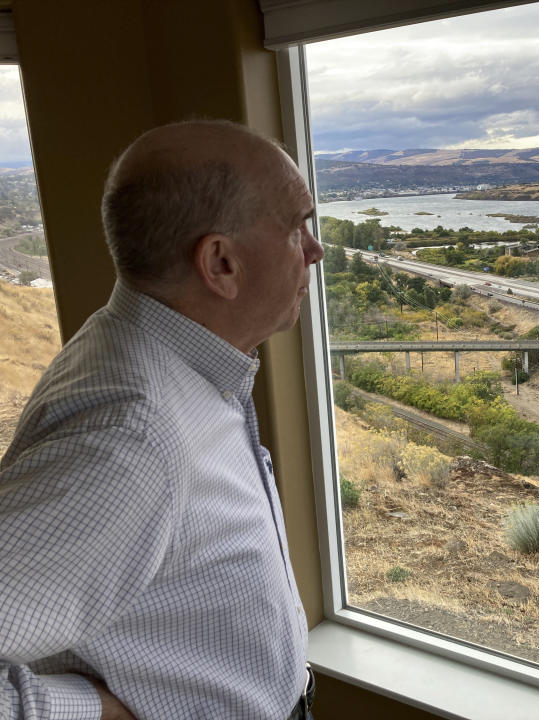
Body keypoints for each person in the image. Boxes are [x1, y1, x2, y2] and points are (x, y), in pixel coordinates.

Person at [0, 120, 323, 719]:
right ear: (220, 263)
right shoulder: (130, 436)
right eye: (296, 227)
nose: (315, 249)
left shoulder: (168, 356)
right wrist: (82, 711)